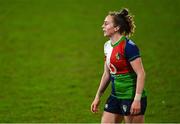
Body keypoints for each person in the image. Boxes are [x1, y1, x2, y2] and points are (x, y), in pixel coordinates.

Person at [91, 8, 147, 123]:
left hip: (130, 97)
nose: (102, 26)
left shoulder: (129, 47)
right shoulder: (107, 46)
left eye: (106, 24)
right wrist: (98, 96)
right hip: (115, 96)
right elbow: (107, 74)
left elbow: (141, 73)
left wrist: (137, 100)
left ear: (116, 28)